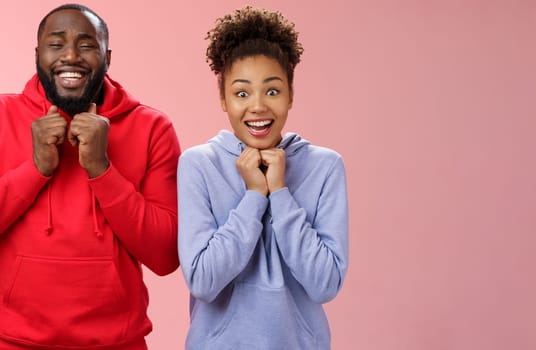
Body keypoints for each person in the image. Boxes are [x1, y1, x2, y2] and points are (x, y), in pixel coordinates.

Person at [0, 4, 181, 349]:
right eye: (56, 44)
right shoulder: (3, 116)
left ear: (107, 56)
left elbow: (165, 255)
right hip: (12, 342)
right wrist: (35, 169)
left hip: (118, 342)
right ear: (37, 54)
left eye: (86, 45)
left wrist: (102, 169)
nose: (71, 56)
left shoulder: (152, 128)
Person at [177, 6, 349, 349]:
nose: (257, 106)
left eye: (272, 91)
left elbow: (325, 284)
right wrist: (254, 197)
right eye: (242, 93)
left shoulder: (325, 167)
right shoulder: (198, 164)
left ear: (291, 94)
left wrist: (280, 193)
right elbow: (203, 281)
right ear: (223, 98)